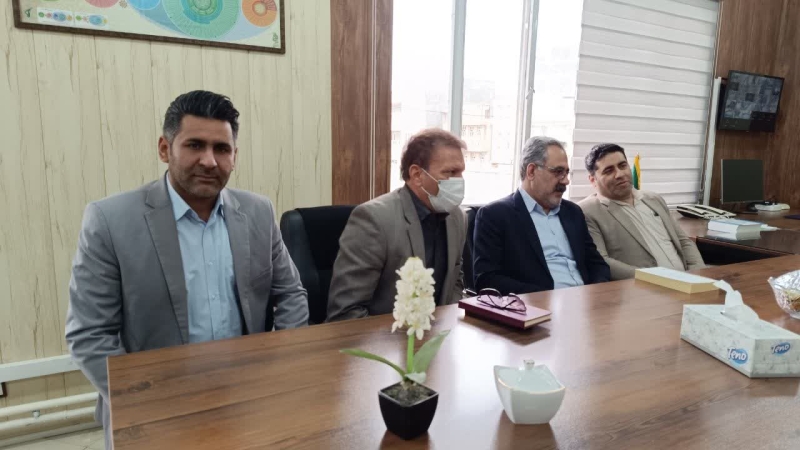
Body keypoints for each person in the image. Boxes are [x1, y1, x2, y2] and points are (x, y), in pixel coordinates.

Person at [65, 90, 309, 448]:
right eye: (195, 145)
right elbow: (89, 333)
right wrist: (150, 400)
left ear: (234, 156)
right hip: (153, 411)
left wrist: (277, 371)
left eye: (221, 149)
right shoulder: (109, 220)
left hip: (248, 401)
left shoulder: (258, 212)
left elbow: (290, 295)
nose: (209, 161)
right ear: (165, 149)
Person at [327, 128, 467, 321]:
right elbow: (346, 312)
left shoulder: (458, 218)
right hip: (383, 336)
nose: (459, 181)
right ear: (417, 175)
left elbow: (455, 282)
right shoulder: (373, 219)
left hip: (438, 333)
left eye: (461, 172)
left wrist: (449, 327)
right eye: (450, 172)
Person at [473, 136, 610, 295]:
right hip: (537, 305)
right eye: (558, 172)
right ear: (531, 171)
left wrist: (595, 294)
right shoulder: (495, 215)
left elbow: (597, 264)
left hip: (587, 302)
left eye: (567, 173)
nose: (566, 181)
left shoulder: (573, 212)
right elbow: (487, 279)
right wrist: (548, 298)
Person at [578, 143, 705, 280]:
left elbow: (683, 242)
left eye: (622, 166)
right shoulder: (587, 211)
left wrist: (698, 274)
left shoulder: (653, 199)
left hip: (689, 282)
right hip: (645, 287)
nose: (619, 174)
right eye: (609, 171)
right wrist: (658, 278)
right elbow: (602, 261)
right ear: (593, 180)